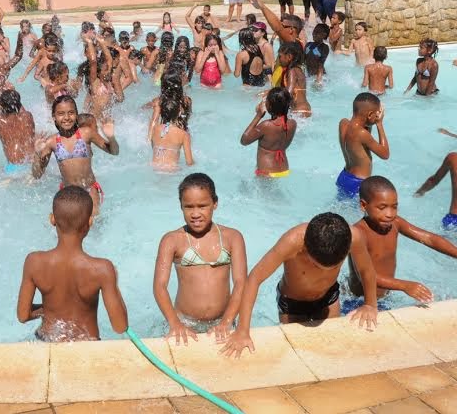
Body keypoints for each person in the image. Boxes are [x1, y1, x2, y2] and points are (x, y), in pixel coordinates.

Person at [221, 212, 378, 358]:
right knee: (296, 353)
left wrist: (370, 304)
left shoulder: (353, 237)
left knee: (332, 346)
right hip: (292, 302)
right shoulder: (292, 241)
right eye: (316, 266)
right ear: (307, 249)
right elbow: (254, 279)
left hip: (328, 298)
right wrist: (242, 330)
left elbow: (366, 270)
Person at [348, 176, 457, 309]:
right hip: (359, 300)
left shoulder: (396, 223)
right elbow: (366, 275)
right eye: (382, 207)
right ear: (363, 205)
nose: (390, 214)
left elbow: (429, 238)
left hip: (385, 297)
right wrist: (405, 285)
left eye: (394, 206)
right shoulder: (358, 234)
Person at [16, 186, 128, 342]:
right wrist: (114, 282)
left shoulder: (34, 262)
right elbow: (120, 326)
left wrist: (50, 309)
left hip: (46, 341)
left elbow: (23, 315)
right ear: (90, 222)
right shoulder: (102, 269)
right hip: (86, 346)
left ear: (52, 219)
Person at [153, 173, 246, 343]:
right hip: (184, 321)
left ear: (215, 203)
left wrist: (226, 321)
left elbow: (241, 282)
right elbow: (159, 286)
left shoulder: (232, 238)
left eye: (202, 206)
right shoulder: (172, 240)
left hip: (222, 320)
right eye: (189, 207)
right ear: (181, 206)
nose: (195, 214)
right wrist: (175, 323)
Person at [32, 96, 119, 216]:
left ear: (76, 115)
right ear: (54, 117)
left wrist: (111, 138)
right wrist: (37, 154)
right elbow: (37, 175)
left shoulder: (86, 133)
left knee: (93, 224)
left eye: (71, 113)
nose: (67, 117)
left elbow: (114, 152)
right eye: (61, 114)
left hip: (90, 190)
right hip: (68, 194)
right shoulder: (52, 142)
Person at [337, 93, 389, 199]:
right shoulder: (362, 134)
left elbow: (364, 127)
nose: (377, 117)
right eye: (376, 114)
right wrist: (379, 124)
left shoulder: (343, 123)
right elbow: (385, 154)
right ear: (370, 115)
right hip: (359, 184)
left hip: (344, 177)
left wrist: (372, 118)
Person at [240, 88, 296, 178]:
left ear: (270, 106)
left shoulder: (266, 126)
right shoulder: (293, 124)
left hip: (267, 172)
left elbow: (244, 140)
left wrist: (258, 116)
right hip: (284, 169)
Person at [0, 89, 36, 174]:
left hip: (13, 168)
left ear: (1, 105)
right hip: (31, 164)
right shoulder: (28, 116)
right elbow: (20, 109)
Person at [150, 98, 194, 171]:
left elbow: (153, 146)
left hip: (154, 167)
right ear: (179, 113)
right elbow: (189, 162)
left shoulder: (155, 129)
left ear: (161, 112)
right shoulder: (183, 134)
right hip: (171, 170)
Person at [276, 42, 310, 116]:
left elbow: (288, 93)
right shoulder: (299, 69)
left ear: (289, 57)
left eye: (280, 56)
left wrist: (270, 96)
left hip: (299, 110)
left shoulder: (292, 71)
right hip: (304, 109)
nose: (279, 60)